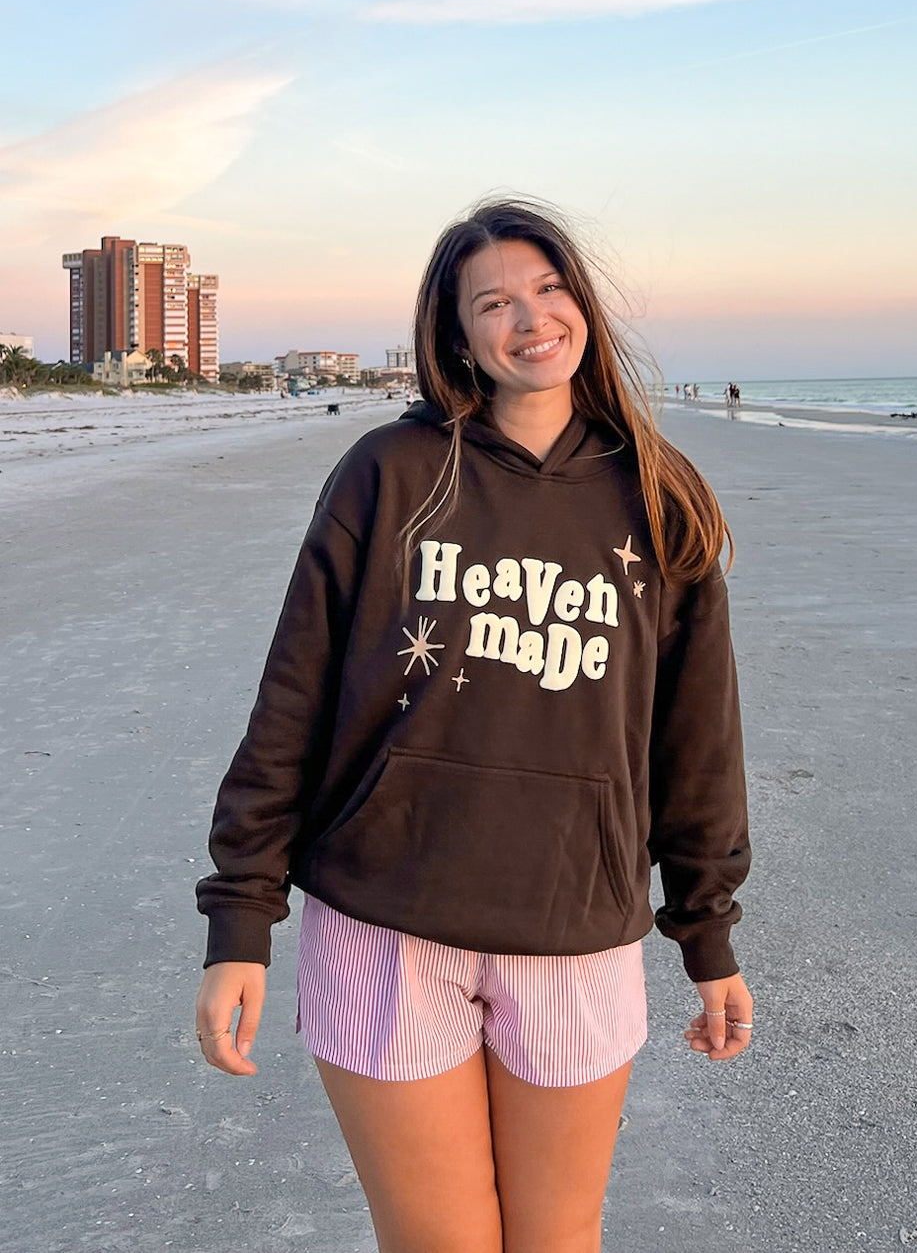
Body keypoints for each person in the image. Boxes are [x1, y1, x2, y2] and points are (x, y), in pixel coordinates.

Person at [195, 198, 752, 1253]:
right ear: (456, 336)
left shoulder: (660, 495)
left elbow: (697, 740)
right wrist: (240, 920)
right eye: (493, 303)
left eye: (548, 289)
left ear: (583, 305)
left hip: (574, 925)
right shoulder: (391, 474)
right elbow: (293, 700)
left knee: (555, 1240)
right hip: (385, 921)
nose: (529, 318)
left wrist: (707, 931)